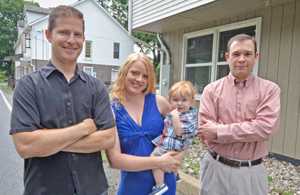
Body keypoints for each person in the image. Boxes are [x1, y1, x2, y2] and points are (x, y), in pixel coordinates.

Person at [10, 6, 115, 195]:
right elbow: (25, 146)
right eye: (64, 32)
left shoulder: (97, 88)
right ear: (49, 35)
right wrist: (83, 129)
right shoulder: (28, 86)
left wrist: (47, 141)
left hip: (94, 190)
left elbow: (108, 138)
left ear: (83, 38)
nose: (71, 40)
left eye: (77, 34)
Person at [198, 34, 280, 195]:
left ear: (256, 57)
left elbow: (265, 128)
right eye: (236, 54)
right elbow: (205, 132)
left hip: (251, 172)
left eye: (247, 54)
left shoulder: (270, 90)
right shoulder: (211, 90)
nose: (241, 59)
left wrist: (219, 131)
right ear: (227, 57)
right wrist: (250, 128)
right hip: (215, 167)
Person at [106, 53, 181, 195]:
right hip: (132, 187)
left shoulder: (159, 102)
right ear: (124, 73)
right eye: (134, 73)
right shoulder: (112, 110)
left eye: (145, 76)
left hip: (164, 185)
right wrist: (158, 162)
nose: (139, 79)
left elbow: (183, 133)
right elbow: (115, 160)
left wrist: (177, 158)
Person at [150, 81, 198, 195]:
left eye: (184, 100)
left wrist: (175, 117)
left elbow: (179, 132)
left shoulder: (189, 115)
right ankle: (176, 175)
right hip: (173, 143)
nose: (179, 103)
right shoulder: (178, 112)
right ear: (170, 100)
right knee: (171, 161)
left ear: (191, 101)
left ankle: (160, 185)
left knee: (155, 159)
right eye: (175, 100)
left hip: (175, 144)